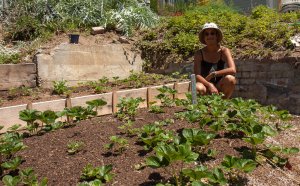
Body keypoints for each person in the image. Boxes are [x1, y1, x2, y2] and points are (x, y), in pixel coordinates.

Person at [194, 22, 236, 99]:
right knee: (198, 87)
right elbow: (197, 75)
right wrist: (209, 85)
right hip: (205, 85)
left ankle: (222, 104)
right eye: (206, 34)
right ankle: (202, 106)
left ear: (216, 36)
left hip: (219, 86)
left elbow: (233, 69)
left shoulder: (224, 51)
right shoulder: (199, 53)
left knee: (230, 79)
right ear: (204, 37)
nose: (209, 36)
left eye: (212, 33)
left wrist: (214, 74)